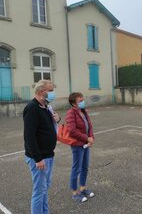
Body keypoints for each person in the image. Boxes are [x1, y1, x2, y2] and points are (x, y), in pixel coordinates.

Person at [23, 79, 61, 214]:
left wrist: (58, 119)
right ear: (40, 92)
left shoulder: (46, 107)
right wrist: (38, 159)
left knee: (44, 188)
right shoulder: (32, 108)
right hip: (39, 159)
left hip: (48, 155)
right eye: (50, 91)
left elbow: (49, 125)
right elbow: (29, 136)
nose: (53, 93)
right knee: (39, 191)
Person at [66, 92, 95, 203]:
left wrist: (91, 137)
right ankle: (75, 193)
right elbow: (72, 131)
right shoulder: (71, 113)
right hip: (77, 145)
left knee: (85, 167)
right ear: (73, 103)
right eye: (80, 101)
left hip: (85, 144)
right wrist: (87, 138)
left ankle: (82, 188)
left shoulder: (83, 111)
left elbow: (90, 126)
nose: (83, 102)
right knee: (76, 168)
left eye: (83, 99)